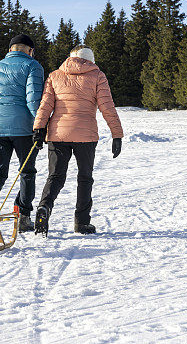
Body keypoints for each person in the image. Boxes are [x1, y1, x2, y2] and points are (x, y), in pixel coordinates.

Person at [32, 44, 123, 235]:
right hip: (86, 135)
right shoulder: (97, 75)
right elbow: (107, 107)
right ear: (90, 59)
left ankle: (44, 208)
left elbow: (45, 104)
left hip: (58, 134)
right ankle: (82, 222)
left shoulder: (55, 75)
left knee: (55, 176)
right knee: (85, 178)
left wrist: (39, 128)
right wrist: (117, 134)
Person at [0, 34, 44, 232]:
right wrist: (40, 124)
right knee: (27, 171)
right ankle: (22, 215)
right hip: (23, 128)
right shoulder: (33, 66)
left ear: (11, 49)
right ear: (29, 50)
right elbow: (33, 99)